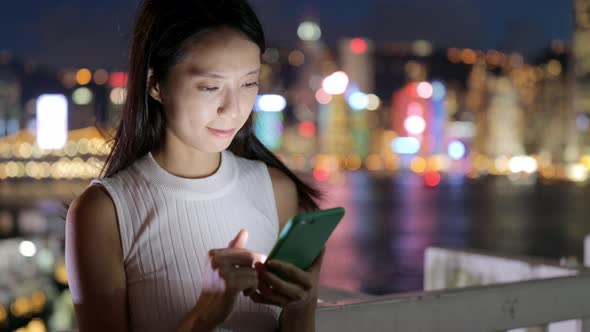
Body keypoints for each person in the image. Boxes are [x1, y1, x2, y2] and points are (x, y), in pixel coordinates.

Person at [64, 0, 323, 331]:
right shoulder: (104, 212)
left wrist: (302, 308)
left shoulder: (277, 191)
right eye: (210, 87)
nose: (232, 109)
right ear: (156, 83)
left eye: (249, 83)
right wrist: (204, 315)